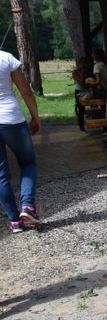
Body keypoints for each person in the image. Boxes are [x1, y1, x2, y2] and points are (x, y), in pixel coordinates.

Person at [0, 49, 42, 233]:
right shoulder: (6, 58)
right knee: (27, 163)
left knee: (1, 173)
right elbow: (26, 91)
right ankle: (28, 207)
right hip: (11, 119)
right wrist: (35, 117)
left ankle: (15, 221)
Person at [86, 48, 107, 118]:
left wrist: (89, 82)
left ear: (96, 55)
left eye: (93, 54)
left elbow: (98, 81)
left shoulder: (97, 65)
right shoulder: (104, 64)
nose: (91, 55)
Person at [71, 57, 89, 132]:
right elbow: (81, 81)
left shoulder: (86, 71)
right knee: (81, 110)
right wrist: (82, 73)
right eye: (82, 63)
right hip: (79, 91)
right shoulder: (75, 72)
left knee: (84, 110)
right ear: (79, 64)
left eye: (85, 64)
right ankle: (82, 128)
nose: (84, 65)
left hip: (87, 91)